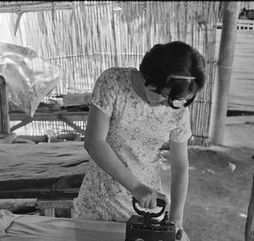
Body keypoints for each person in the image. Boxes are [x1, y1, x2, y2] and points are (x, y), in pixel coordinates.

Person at [72, 41, 206, 230]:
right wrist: (135, 187)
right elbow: (94, 142)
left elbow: (180, 165)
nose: (168, 105)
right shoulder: (114, 82)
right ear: (149, 78)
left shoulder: (177, 106)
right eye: (163, 96)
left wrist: (176, 218)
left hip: (147, 204)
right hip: (99, 199)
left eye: (176, 100)